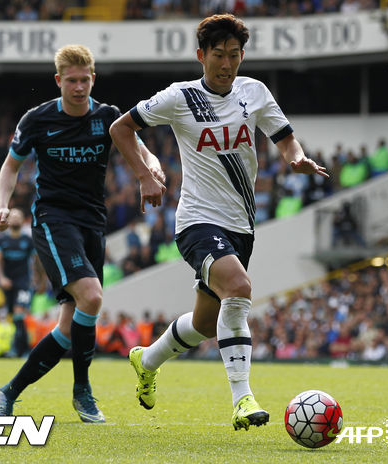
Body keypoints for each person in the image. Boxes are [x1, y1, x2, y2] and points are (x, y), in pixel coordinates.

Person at [110, 14, 328, 431]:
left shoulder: (254, 91)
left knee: (206, 323)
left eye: (234, 55)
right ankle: (242, 399)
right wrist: (143, 176)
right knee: (240, 288)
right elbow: (121, 128)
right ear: (201, 56)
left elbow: (284, 138)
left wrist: (296, 158)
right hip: (197, 220)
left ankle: (147, 360)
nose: (227, 64)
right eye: (218, 55)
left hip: (241, 225)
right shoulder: (180, 97)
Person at [0, 44, 164, 423]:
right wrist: (3, 204)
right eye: (72, 81)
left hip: (93, 223)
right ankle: (83, 392)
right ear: (58, 81)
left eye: (85, 80)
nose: (79, 87)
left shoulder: (108, 117)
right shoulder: (37, 119)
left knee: (68, 329)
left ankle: (7, 393)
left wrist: (153, 165)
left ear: (93, 79)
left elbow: (140, 147)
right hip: (53, 219)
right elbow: (10, 166)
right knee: (93, 296)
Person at [0, 207, 37, 357]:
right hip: (7, 283)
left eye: (19, 216)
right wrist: (1, 278)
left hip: (24, 282)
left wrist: (40, 279)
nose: (16, 218)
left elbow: (36, 261)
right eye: (13, 216)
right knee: (13, 315)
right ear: (8, 220)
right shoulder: (1, 240)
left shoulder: (28, 240)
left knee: (19, 312)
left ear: (23, 220)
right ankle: (20, 346)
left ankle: (21, 349)